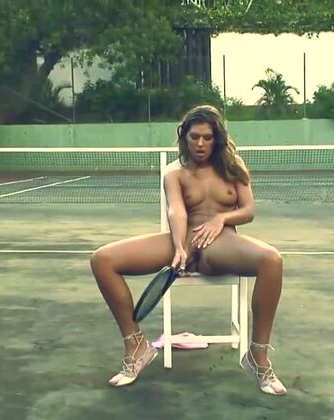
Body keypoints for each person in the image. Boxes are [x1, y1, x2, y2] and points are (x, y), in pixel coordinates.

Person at [90, 105, 287, 396]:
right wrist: (180, 247)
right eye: (194, 137)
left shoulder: (234, 166)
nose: (200, 144)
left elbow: (248, 210)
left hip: (221, 244)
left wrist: (221, 219)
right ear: (184, 137)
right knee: (102, 259)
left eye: (207, 137)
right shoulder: (174, 173)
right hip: (182, 239)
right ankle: (136, 345)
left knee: (272, 260)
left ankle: (258, 356)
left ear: (217, 138)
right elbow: (177, 211)